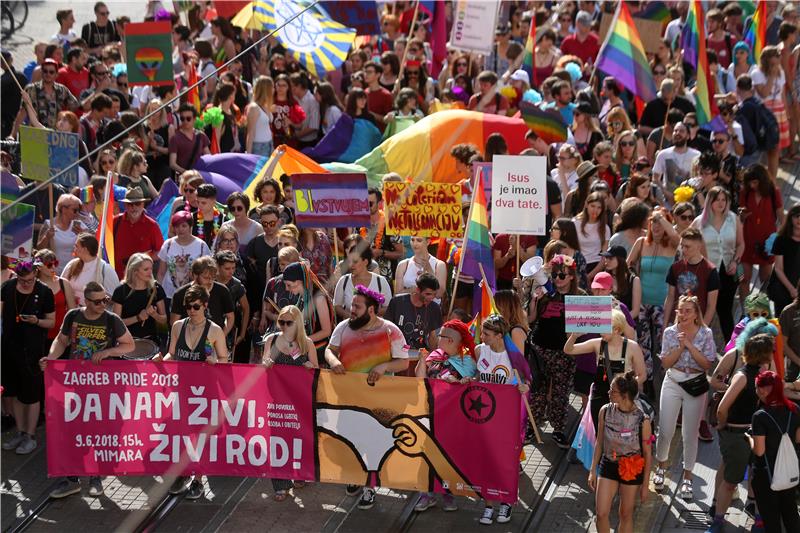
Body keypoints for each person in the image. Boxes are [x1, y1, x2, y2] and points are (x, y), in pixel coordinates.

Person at [41, 281, 134, 498]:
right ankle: (72, 478)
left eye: (105, 300)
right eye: (98, 301)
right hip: (76, 383)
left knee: (98, 431)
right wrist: (52, 359)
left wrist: (108, 352)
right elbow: (62, 340)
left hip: (102, 386)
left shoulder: (112, 319)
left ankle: (96, 477)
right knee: (73, 430)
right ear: (86, 301)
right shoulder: (73, 316)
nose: (103, 304)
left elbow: (129, 345)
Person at [325, 284, 409, 510]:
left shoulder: (391, 331)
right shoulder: (343, 327)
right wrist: (334, 362)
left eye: (356, 306)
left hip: (378, 400)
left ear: (371, 310)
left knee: (373, 443)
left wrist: (383, 367)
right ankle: (354, 475)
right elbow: (329, 350)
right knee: (350, 439)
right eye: (352, 305)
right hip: (348, 397)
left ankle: (370, 487)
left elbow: (403, 362)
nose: (351, 309)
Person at [156, 284, 227, 500]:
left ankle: (198, 479)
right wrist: (159, 362)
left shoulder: (214, 330)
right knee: (181, 432)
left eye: (196, 306)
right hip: (182, 389)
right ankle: (184, 472)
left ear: (205, 306)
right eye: (188, 306)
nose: (191, 310)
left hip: (205, 391)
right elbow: (171, 354)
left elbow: (225, 360)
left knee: (201, 434)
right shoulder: (178, 326)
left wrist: (216, 361)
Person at [709, 333, 775, 533]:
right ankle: (718, 520)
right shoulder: (742, 376)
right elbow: (722, 408)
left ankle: (758, 521)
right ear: (763, 354)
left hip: (757, 435)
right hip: (737, 436)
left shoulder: (764, 375)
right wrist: (722, 426)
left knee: (759, 479)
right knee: (731, 481)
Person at [654, 295, 717, 501]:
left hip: (695, 384)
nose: (683, 314)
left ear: (696, 314)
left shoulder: (706, 334)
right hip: (673, 380)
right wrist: (680, 346)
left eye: (688, 310)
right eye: (681, 310)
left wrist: (689, 345)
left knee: (690, 435)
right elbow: (666, 363)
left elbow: (707, 364)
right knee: (665, 430)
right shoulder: (670, 333)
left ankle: (688, 478)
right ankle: (661, 467)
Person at [413, 319, 477, 513]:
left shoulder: (468, 362)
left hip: (452, 419)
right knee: (426, 456)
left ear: (450, 341)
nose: (437, 338)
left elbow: (475, 386)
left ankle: (448, 494)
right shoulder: (435, 355)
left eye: (441, 335)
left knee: (448, 458)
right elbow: (420, 378)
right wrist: (422, 362)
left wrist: (467, 381)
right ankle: (426, 495)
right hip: (429, 413)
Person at [473, 314, 531, 525]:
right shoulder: (480, 350)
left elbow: (526, 381)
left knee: (506, 463)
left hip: (506, 418)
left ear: (499, 335)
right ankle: (488, 506)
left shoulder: (513, 357)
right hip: (484, 417)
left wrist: (524, 387)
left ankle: (506, 502)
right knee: (486, 462)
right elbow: (477, 377)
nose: (482, 337)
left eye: (487, 334)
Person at [529, 254, 587, 448]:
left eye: (561, 275)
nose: (557, 279)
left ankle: (559, 429)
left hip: (564, 352)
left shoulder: (580, 296)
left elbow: (586, 326)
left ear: (571, 276)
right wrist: (534, 300)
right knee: (537, 389)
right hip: (540, 347)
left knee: (561, 393)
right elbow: (530, 319)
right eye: (554, 275)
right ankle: (532, 425)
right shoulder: (545, 291)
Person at [261, 304, 317, 500]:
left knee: (300, 439)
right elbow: (263, 365)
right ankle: (280, 483)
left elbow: (317, 372)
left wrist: (311, 367)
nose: (283, 326)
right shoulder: (272, 339)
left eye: (288, 322)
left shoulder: (307, 343)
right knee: (278, 441)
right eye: (281, 322)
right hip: (277, 401)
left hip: (300, 401)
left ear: (298, 323)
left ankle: (301, 473)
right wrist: (266, 364)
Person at [1, 261, 56, 455]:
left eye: (31, 280)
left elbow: (51, 322)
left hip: (32, 351)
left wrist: (37, 321)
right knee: (15, 393)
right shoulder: (7, 287)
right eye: (23, 281)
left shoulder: (44, 291)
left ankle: (30, 436)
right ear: (16, 277)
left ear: (36, 274)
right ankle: (20, 431)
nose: (27, 284)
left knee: (31, 395)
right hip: (8, 349)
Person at [588, 371, 652, 533]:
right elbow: (599, 441)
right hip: (608, 464)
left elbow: (647, 454)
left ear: (625, 395)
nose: (609, 393)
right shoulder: (605, 411)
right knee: (601, 514)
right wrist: (593, 470)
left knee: (625, 514)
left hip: (631, 468)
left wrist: (645, 485)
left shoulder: (642, 420)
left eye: (613, 391)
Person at [565, 309, 647, 431]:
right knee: (600, 434)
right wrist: (574, 336)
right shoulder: (597, 344)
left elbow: (642, 375)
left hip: (622, 398)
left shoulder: (632, 347)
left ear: (617, 330)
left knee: (621, 435)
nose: (600, 331)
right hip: (599, 398)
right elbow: (569, 350)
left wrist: (626, 389)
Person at [689, 186, 744, 343]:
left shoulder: (733, 219)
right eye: (717, 200)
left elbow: (741, 244)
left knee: (725, 311)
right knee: (704, 310)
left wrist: (735, 260)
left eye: (724, 200)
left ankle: (732, 349)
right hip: (707, 273)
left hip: (728, 270)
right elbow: (686, 243)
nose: (721, 203)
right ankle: (700, 346)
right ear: (710, 202)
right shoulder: (699, 222)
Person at [748, 370, 800, 533]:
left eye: (757, 387)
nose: (757, 391)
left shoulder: (760, 416)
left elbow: (759, 451)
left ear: (764, 390)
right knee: (791, 514)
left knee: (771, 521)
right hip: (789, 471)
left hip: (766, 476)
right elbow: (798, 440)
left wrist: (748, 438)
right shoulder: (795, 409)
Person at [664, 228, 720, 328]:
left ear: (698, 246)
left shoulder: (710, 270)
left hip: (697, 324)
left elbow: (711, 306)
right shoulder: (675, 267)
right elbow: (670, 297)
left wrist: (703, 330)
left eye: (687, 247)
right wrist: (665, 324)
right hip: (676, 324)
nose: (683, 250)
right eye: (682, 246)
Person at [170, 257, 234, 344]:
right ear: (195, 275)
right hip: (188, 341)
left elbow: (230, 317)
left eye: (213, 277)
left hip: (213, 341)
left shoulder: (222, 290)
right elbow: (174, 322)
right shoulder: (180, 294)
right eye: (206, 277)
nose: (210, 281)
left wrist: (221, 336)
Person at [282, 262, 334, 363]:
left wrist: (302, 341)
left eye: (289, 285)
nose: (286, 289)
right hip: (305, 348)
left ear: (298, 281)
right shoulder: (302, 297)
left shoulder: (318, 298)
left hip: (318, 351)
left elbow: (326, 331)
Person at [111, 253, 167, 341]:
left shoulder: (156, 289)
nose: (150, 272)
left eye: (151, 268)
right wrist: (138, 318)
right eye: (146, 269)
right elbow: (116, 323)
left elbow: (164, 320)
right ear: (135, 271)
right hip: (127, 341)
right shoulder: (121, 290)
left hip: (150, 340)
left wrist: (154, 314)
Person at [384, 272, 442, 354]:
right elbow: (386, 329)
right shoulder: (398, 302)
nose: (431, 298)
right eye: (428, 294)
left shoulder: (434, 308)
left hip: (420, 353)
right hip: (396, 350)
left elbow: (432, 337)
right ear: (418, 289)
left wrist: (434, 358)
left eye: (434, 294)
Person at [112, 188, 163, 280]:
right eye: (130, 204)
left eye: (137, 204)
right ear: (125, 205)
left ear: (143, 204)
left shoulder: (152, 225)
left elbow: (160, 252)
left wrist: (139, 259)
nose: (134, 207)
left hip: (142, 279)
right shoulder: (114, 222)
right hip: (116, 277)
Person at [334, 244, 392, 320]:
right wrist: (350, 316)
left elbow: (388, 307)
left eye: (355, 261)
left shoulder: (380, 281)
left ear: (365, 262)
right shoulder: (343, 281)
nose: (351, 265)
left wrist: (369, 316)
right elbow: (337, 305)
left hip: (374, 329)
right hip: (351, 328)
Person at [62, 233, 120, 305]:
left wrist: (96, 301)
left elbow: (116, 298)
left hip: (97, 314)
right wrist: (70, 297)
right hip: (74, 312)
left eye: (76, 246)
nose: (74, 249)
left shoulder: (106, 269)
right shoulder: (71, 264)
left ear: (85, 249)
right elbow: (61, 286)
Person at [36, 194, 85, 275]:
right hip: (53, 272)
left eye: (79, 210)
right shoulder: (49, 224)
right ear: (63, 209)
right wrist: (47, 237)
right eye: (75, 210)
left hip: (72, 272)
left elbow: (91, 244)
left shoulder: (78, 225)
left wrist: (83, 235)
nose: (77, 213)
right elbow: (39, 249)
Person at [573, 191, 611, 279]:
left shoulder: (605, 228)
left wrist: (590, 276)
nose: (595, 210)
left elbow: (604, 256)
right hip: (578, 264)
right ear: (586, 205)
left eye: (599, 207)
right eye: (592, 206)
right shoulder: (575, 223)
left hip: (596, 266)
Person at [771, 205, 800, 316]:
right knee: (781, 323)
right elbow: (778, 269)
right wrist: (792, 290)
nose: (799, 220)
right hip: (782, 289)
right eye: (797, 216)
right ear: (791, 218)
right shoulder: (781, 239)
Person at [169, 103, 211, 176]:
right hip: (184, 179)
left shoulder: (201, 136)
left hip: (200, 176)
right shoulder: (175, 138)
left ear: (194, 119)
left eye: (188, 118)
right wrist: (187, 173)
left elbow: (209, 157)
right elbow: (172, 164)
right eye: (182, 118)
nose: (185, 121)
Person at [289, 72, 320, 149]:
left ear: (299, 86)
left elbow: (314, 126)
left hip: (309, 144)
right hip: (296, 141)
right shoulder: (294, 98)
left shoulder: (312, 101)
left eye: (292, 86)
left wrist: (295, 136)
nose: (290, 89)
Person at [246, 75, 274, 156]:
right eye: (272, 87)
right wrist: (248, 155)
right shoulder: (254, 107)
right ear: (266, 89)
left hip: (269, 144)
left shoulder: (266, 105)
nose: (273, 90)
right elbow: (250, 132)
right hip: (259, 147)